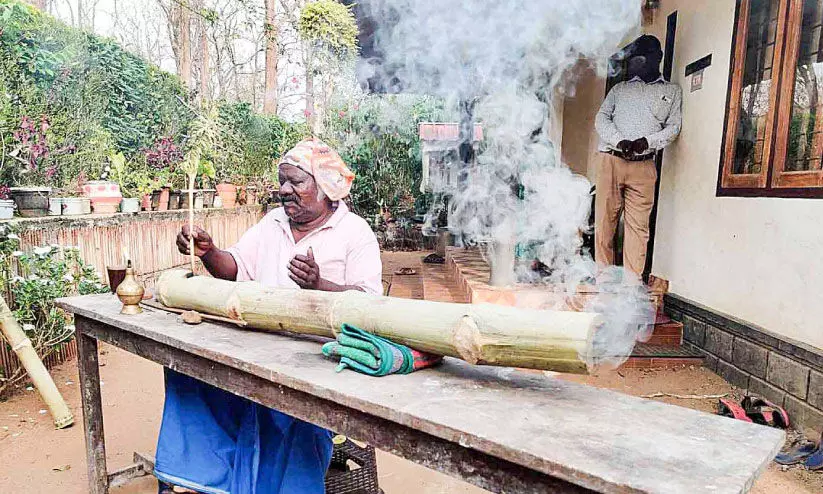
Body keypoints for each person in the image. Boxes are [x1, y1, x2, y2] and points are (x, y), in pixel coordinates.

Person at [153, 138, 382, 494]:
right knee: (192, 373)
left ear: (325, 189)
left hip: (316, 361)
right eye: (283, 181)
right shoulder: (272, 222)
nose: (285, 191)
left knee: (290, 408)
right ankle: (197, 481)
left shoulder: (355, 233)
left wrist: (320, 284)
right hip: (259, 346)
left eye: (296, 182)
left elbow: (371, 308)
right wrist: (209, 251)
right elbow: (235, 268)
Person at [594, 34, 682, 278]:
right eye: (635, 59)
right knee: (604, 223)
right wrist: (618, 140)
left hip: (644, 167)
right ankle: (603, 280)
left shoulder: (672, 92)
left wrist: (648, 142)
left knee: (638, 228)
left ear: (658, 58)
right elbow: (601, 118)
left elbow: (673, 127)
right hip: (611, 160)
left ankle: (631, 288)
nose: (637, 64)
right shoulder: (620, 89)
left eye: (642, 58)